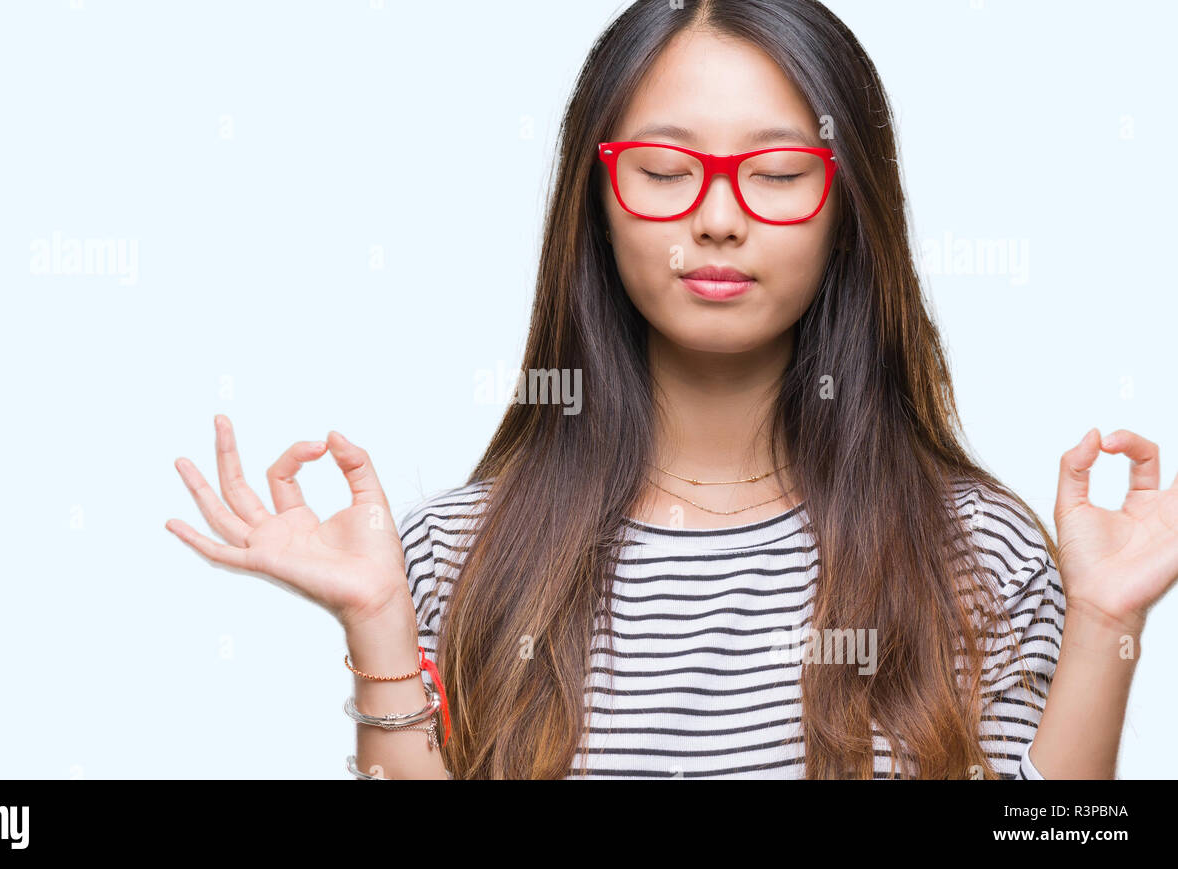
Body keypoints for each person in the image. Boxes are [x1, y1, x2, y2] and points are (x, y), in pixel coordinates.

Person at [164, 0, 1177, 779]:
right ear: (597, 199)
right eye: (662, 169)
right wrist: (380, 620)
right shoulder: (452, 556)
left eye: (777, 172)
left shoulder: (974, 551)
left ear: (846, 206)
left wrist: (1103, 621)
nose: (719, 218)